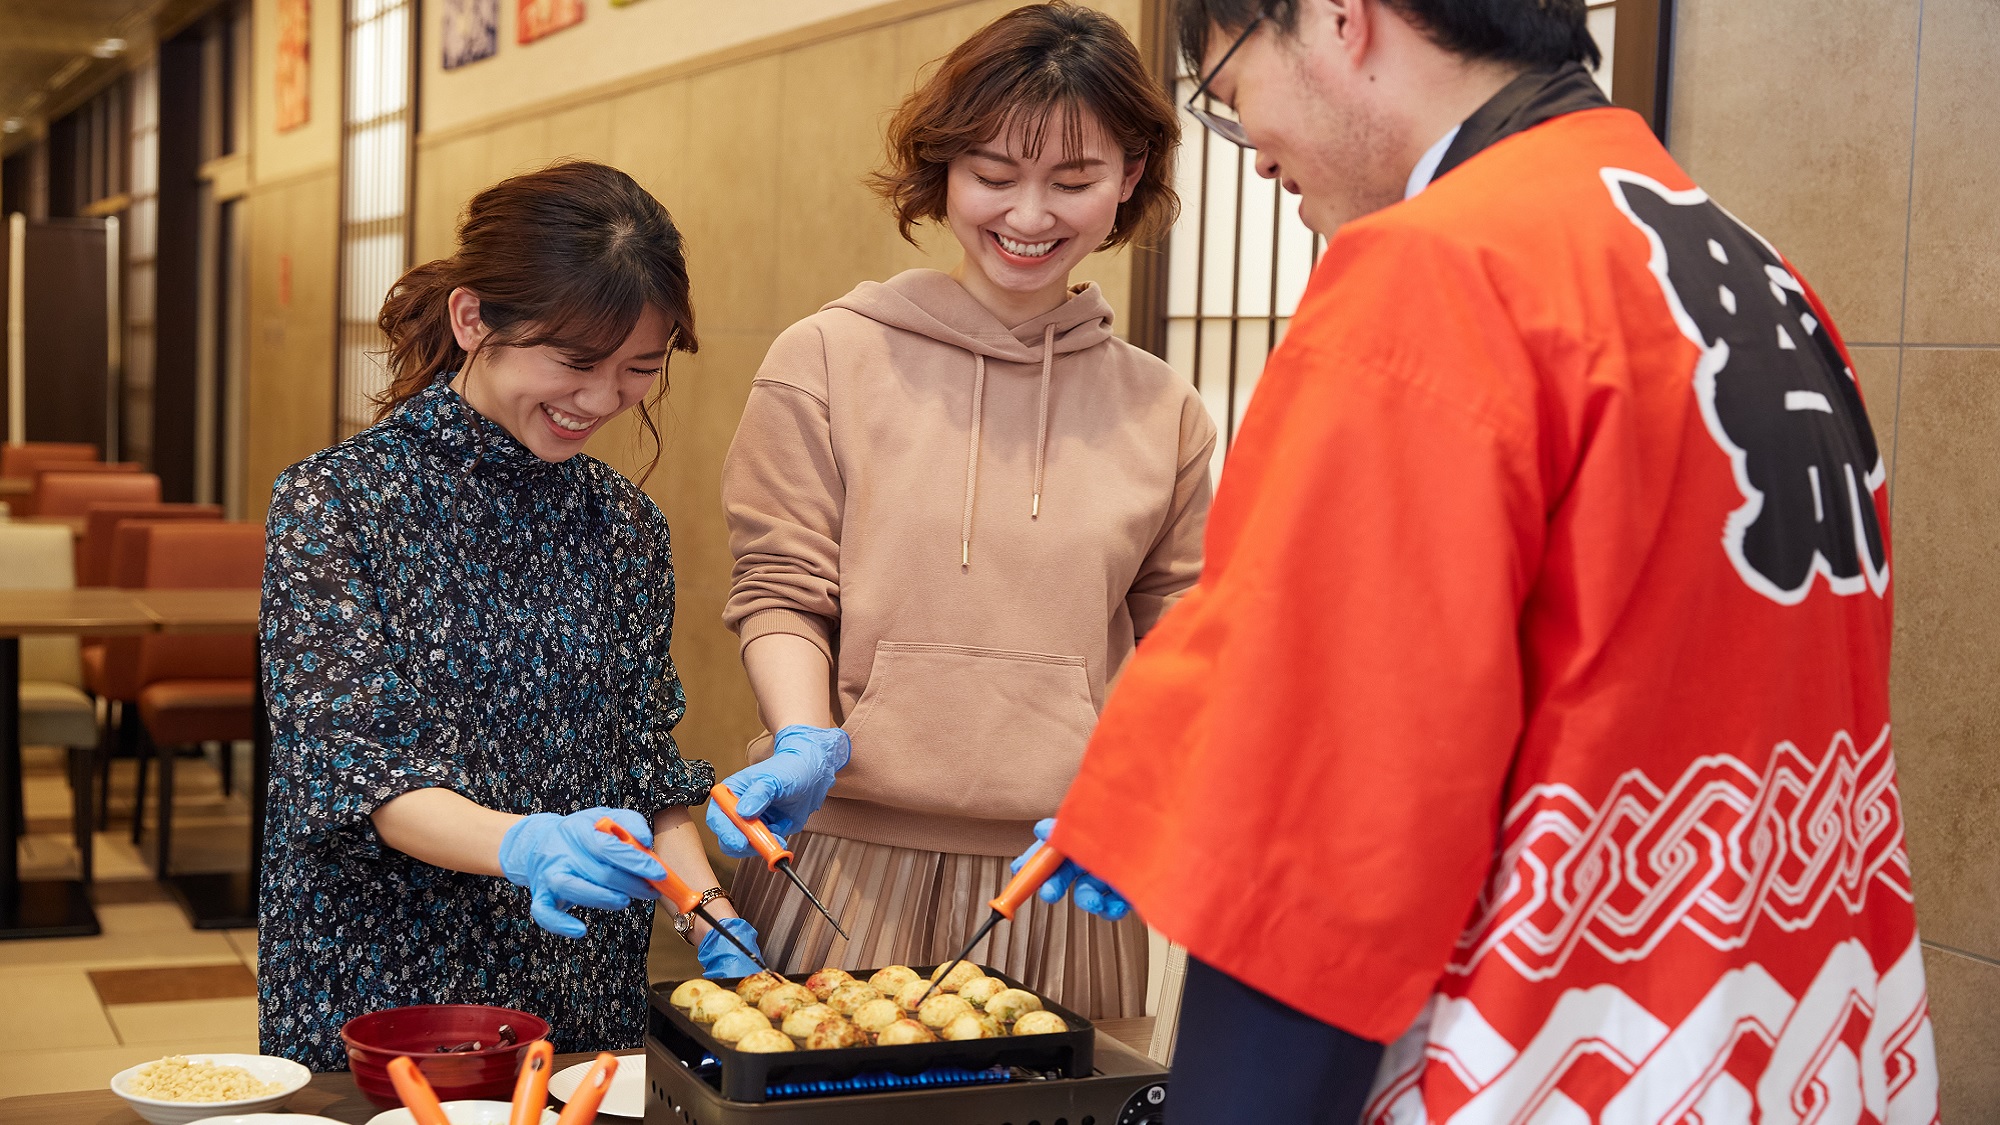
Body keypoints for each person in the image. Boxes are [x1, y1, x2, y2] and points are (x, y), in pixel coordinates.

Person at [1033, 0, 1938, 1121]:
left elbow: (1327, 826)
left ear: (1333, 18)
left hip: (1556, 1052)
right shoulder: (1756, 276)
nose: (1250, 142)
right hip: (1793, 1049)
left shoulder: (1436, 274)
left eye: (1227, 89)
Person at [708, 2, 1211, 1019]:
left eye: (1072, 181)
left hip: (1062, 877)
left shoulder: (1165, 412)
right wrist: (805, 736)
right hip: (840, 860)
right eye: (992, 176)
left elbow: (1185, 643)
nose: (1029, 216)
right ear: (940, 173)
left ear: (1128, 182)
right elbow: (778, 589)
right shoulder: (828, 357)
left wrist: (1140, 806)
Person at [258, 161, 759, 1071]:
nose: (602, 399)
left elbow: (644, 762)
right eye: (572, 362)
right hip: (389, 984)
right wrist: (525, 841)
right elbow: (365, 775)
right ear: (472, 319)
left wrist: (706, 909)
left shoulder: (624, 525)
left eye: (637, 369)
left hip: (579, 986)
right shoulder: (335, 504)